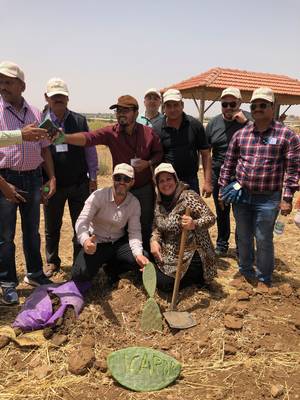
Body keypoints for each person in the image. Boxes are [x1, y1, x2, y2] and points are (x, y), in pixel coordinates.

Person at [54, 94, 163, 251]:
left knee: (144, 224)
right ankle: (123, 260)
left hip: (143, 188)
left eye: (125, 110)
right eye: (118, 110)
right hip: (122, 189)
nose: (121, 114)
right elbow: (88, 138)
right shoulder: (111, 133)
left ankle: (143, 259)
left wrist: (149, 163)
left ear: (136, 113)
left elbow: (158, 153)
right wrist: (64, 138)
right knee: (121, 226)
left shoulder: (148, 133)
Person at [219, 87, 300, 290]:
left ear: (272, 107)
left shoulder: (287, 136)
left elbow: (292, 170)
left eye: (263, 105)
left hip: (269, 198)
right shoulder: (242, 134)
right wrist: (223, 188)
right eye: (254, 106)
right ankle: (246, 272)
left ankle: (264, 278)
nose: (257, 109)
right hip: (242, 195)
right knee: (243, 236)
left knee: (263, 238)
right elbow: (228, 163)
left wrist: (287, 198)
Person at [0, 61, 55, 305]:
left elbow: (45, 149)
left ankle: (35, 274)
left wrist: (50, 177)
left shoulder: (35, 112)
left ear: (22, 85)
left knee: (31, 232)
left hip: (33, 178)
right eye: (1, 82)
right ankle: (7, 283)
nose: (3, 86)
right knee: (4, 236)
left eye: (8, 82)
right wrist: (3, 185)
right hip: (5, 178)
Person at [42, 78, 99, 277]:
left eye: (62, 96)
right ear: (46, 97)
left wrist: (93, 176)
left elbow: (89, 149)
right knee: (52, 225)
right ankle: (52, 261)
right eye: (54, 96)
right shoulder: (40, 122)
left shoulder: (79, 120)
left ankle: (79, 261)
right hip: (50, 183)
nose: (58, 99)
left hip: (78, 183)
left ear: (67, 98)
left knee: (80, 224)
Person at [72, 163, 149, 284]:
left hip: (117, 243)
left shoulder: (134, 203)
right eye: (118, 178)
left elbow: (134, 232)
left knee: (142, 258)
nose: (122, 182)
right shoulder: (98, 196)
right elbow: (82, 221)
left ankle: (111, 269)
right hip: (97, 242)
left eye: (126, 179)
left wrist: (138, 254)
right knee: (79, 274)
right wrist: (86, 241)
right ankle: (102, 265)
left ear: (132, 182)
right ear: (112, 179)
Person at [150, 163, 216, 292]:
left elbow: (210, 218)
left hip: (191, 253)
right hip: (170, 253)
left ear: (175, 179)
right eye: (161, 181)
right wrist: (154, 239)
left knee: (165, 286)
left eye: (169, 179)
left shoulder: (188, 196)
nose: (165, 184)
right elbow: (157, 227)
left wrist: (194, 224)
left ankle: (196, 278)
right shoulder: (159, 202)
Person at [206, 87, 251, 256]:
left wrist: (246, 123)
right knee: (222, 211)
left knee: (241, 213)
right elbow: (206, 152)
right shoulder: (213, 123)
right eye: (225, 104)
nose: (229, 107)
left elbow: (263, 138)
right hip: (220, 174)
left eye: (233, 104)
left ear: (240, 103)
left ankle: (241, 247)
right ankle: (222, 243)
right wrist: (209, 179)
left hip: (242, 176)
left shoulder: (250, 119)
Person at [152, 88, 212, 196]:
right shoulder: (157, 128)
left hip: (190, 181)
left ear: (182, 105)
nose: (172, 109)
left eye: (176, 105)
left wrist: (207, 182)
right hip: (167, 182)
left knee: (191, 212)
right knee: (168, 212)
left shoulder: (195, 125)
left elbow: (206, 154)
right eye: (168, 106)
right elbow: (154, 158)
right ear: (164, 107)